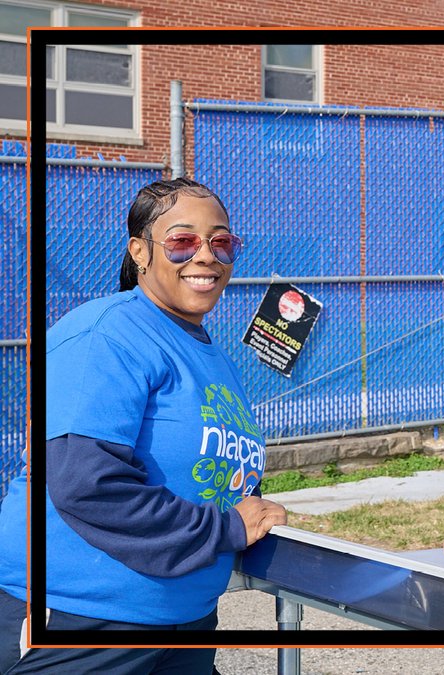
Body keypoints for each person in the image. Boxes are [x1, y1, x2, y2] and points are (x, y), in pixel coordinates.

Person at [0, 178, 288, 673]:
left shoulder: (209, 353)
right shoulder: (107, 333)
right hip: (85, 625)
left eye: (222, 242)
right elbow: (89, 485)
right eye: (182, 241)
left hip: (185, 623)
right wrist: (226, 527)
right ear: (140, 251)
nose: (206, 256)